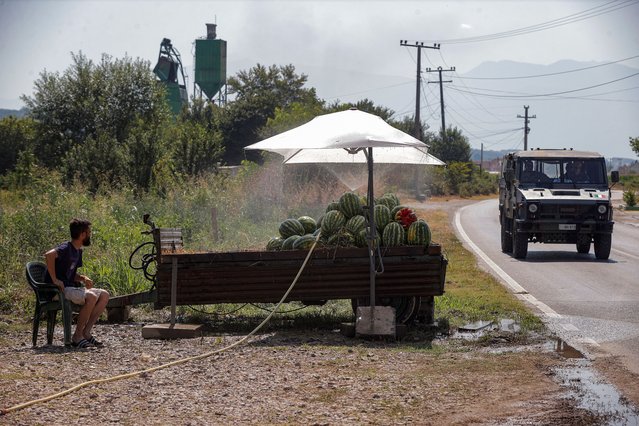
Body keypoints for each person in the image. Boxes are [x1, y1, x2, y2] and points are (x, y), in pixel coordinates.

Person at [45, 218, 109, 348]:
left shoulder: (78, 251)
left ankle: (86, 332)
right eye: (89, 232)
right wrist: (55, 280)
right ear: (83, 234)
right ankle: (77, 336)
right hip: (56, 291)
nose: (90, 234)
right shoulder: (66, 248)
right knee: (91, 296)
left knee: (104, 295)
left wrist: (83, 278)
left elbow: (70, 274)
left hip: (69, 288)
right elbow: (49, 255)